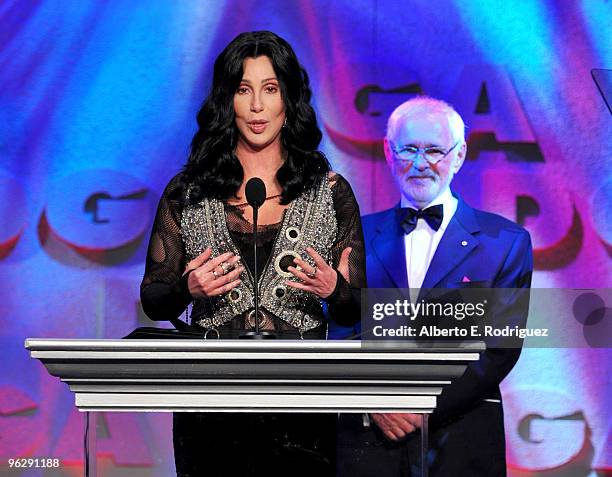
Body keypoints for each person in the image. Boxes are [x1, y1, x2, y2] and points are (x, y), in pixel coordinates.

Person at [140, 31, 366, 477]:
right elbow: (153, 298)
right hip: (209, 402)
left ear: (289, 100)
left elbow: (355, 308)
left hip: (301, 406)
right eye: (244, 90)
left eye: (270, 89)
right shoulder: (188, 192)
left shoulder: (331, 192)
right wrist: (189, 286)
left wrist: (332, 287)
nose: (257, 107)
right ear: (228, 101)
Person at [336, 96, 533, 476]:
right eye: (408, 149)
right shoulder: (350, 234)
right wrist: (373, 398)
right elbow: (337, 329)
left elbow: (498, 348)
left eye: (435, 150)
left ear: (459, 155)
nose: (420, 163)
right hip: (368, 443)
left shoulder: (506, 241)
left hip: (460, 441)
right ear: (388, 153)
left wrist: (418, 405)